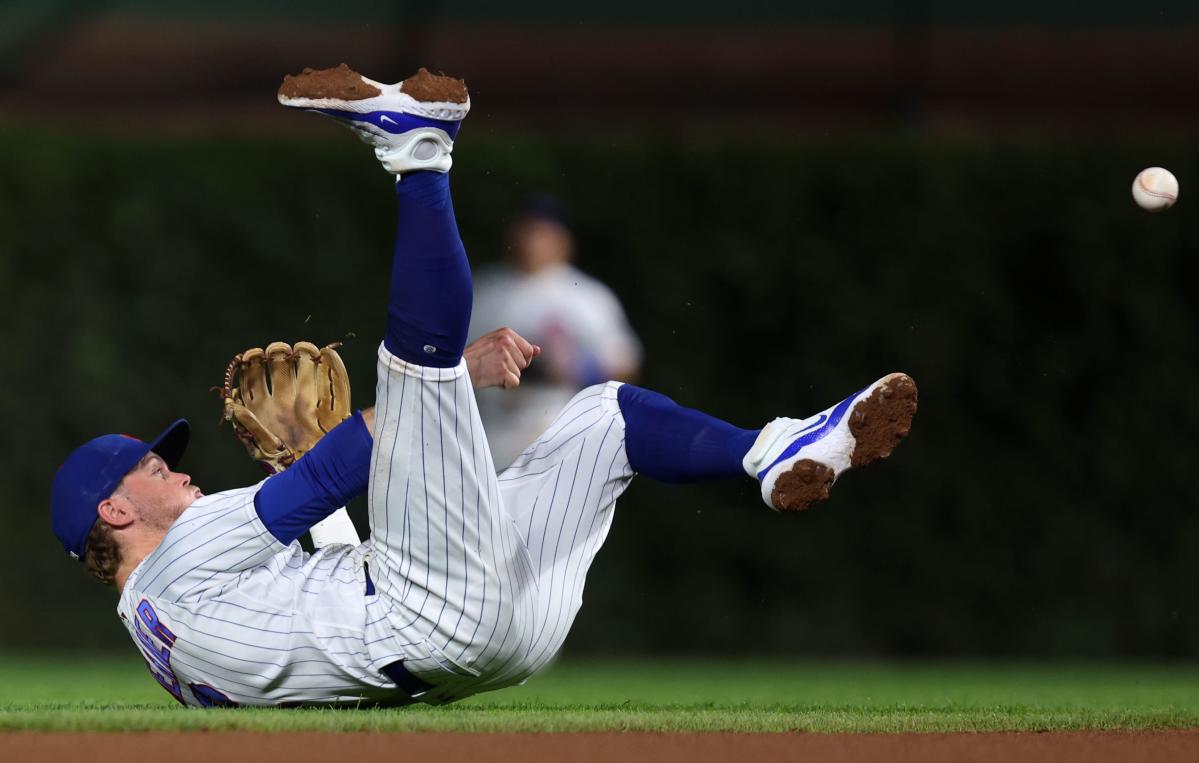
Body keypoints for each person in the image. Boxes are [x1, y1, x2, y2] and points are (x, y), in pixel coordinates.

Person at [49, 64, 918, 708]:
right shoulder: (175, 558)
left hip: (483, 645)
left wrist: (325, 471)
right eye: (151, 467)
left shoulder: (171, 653)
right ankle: (418, 151)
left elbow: (313, 594)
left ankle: (774, 452)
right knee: (416, 364)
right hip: (433, 607)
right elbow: (328, 478)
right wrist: (441, 384)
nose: (175, 469)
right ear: (115, 513)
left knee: (604, 417)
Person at [470, 194, 641, 469]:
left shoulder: (587, 296)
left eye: (543, 232)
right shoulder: (484, 292)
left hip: (562, 442)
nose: (532, 240)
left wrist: (577, 368)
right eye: (527, 229)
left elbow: (626, 364)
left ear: (564, 240)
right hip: (489, 440)